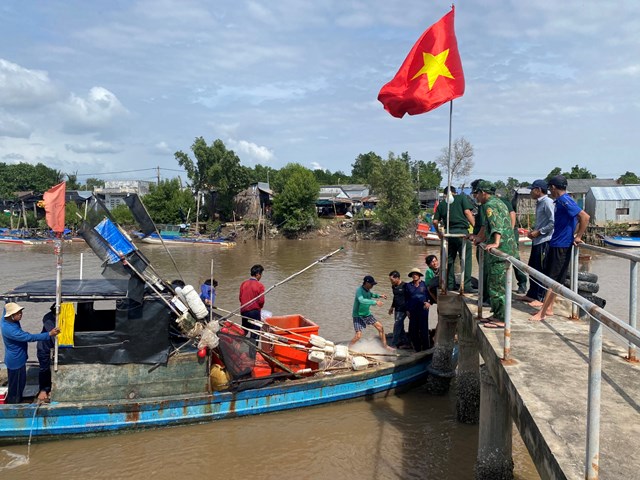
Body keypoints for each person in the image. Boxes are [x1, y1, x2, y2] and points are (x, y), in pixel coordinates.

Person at [530, 175, 590, 321]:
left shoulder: (565, 200)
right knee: (555, 280)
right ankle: (549, 308)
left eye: (550, 188)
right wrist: (574, 233)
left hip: (561, 246)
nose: (549, 191)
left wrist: (578, 236)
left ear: (554, 187)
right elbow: (575, 219)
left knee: (551, 280)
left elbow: (584, 217)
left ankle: (542, 313)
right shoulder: (561, 201)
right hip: (557, 243)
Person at [468, 180, 518, 328]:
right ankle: (497, 314)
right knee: (494, 284)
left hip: (501, 251)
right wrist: (479, 238)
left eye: (477, 193)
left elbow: (497, 224)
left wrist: (496, 242)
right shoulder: (499, 202)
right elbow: (486, 225)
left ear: (483, 192)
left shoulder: (490, 205)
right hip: (507, 248)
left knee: (497, 286)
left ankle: (502, 319)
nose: (476, 197)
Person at [1, 302, 60, 404]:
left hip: (14, 359)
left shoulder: (5, 320)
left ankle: (16, 399)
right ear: (11, 316)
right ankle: (14, 404)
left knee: (16, 383)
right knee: (17, 386)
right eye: (18, 313)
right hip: (16, 362)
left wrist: (8, 301)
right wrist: (49, 334)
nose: (21, 314)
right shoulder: (11, 330)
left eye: (20, 312)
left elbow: (5, 309)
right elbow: (30, 337)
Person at [518, 179, 555, 305]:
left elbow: (552, 222)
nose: (530, 193)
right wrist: (533, 232)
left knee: (540, 269)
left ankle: (540, 297)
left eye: (532, 190)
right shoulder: (540, 203)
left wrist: (539, 232)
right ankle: (532, 294)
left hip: (544, 241)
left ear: (538, 190)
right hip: (537, 241)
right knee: (532, 268)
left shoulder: (548, 202)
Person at [432, 186, 475, 292]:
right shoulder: (461, 198)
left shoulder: (442, 204)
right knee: (465, 259)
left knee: (449, 259)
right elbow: (467, 212)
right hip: (462, 233)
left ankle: (450, 285)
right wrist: (476, 229)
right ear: (454, 192)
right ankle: (466, 285)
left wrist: (439, 234)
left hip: (448, 234)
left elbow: (435, 221)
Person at [496, 188, 528, 294]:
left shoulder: (504, 202)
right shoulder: (488, 204)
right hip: (499, 234)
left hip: (509, 234)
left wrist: (509, 231)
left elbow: (512, 214)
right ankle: (501, 284)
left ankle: (522, 283)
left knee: (514, 257)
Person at [349, 275, 389, 348]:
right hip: (358, 315)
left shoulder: (367, 290)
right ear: (366, 283)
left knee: (380, 327)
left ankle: (385, 346)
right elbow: (361, 300)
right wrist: (375, 302)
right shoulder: (359, 290)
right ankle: (349, 348)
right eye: (371, 284)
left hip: (366, 314)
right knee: (358, 336)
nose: (372, 286)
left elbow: (371, 294)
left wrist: (380, 296)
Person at [404, 268, 431, 351]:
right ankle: (417, 348)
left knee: (424, 329)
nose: (414, 275)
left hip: (423, 310)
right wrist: (407, 310)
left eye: (416, 274)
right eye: (413, 274)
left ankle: (426, 348)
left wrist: (429, 302)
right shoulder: (408, 286)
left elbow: (430, 295)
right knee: (414, 330)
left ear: (419, 275)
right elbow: (406, 299)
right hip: (413, 311)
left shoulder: (424, 284)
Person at [36, 304, 56, 402]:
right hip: (44, 347)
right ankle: (43, 390)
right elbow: (53, 337)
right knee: (44, 368)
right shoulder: (49, 319)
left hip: (52, 347)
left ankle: (52, 387)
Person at [239, 265, 265, 339]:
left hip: (244, 311)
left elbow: (240, 298)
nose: (261, 276)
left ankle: (237, 345)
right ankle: (253, 349)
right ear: (257, 274)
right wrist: (259, 308)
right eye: (261, 274)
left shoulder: (243, 284)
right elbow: (261, 301)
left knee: (244, 330)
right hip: (254, 312)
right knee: (255, 332)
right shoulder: (260, 286)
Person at [388, 271, 409, 348]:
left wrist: (408, 310)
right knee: (400, 326)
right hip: (397, 309)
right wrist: (392, 307)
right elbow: (395, 297)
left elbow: (409, 298)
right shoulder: (393, 286)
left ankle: (393, 344)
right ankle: (406, 343)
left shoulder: (405, 286)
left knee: (397, 325)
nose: (391, 282)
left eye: (392, 280)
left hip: (404, 309)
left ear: (397, 278)